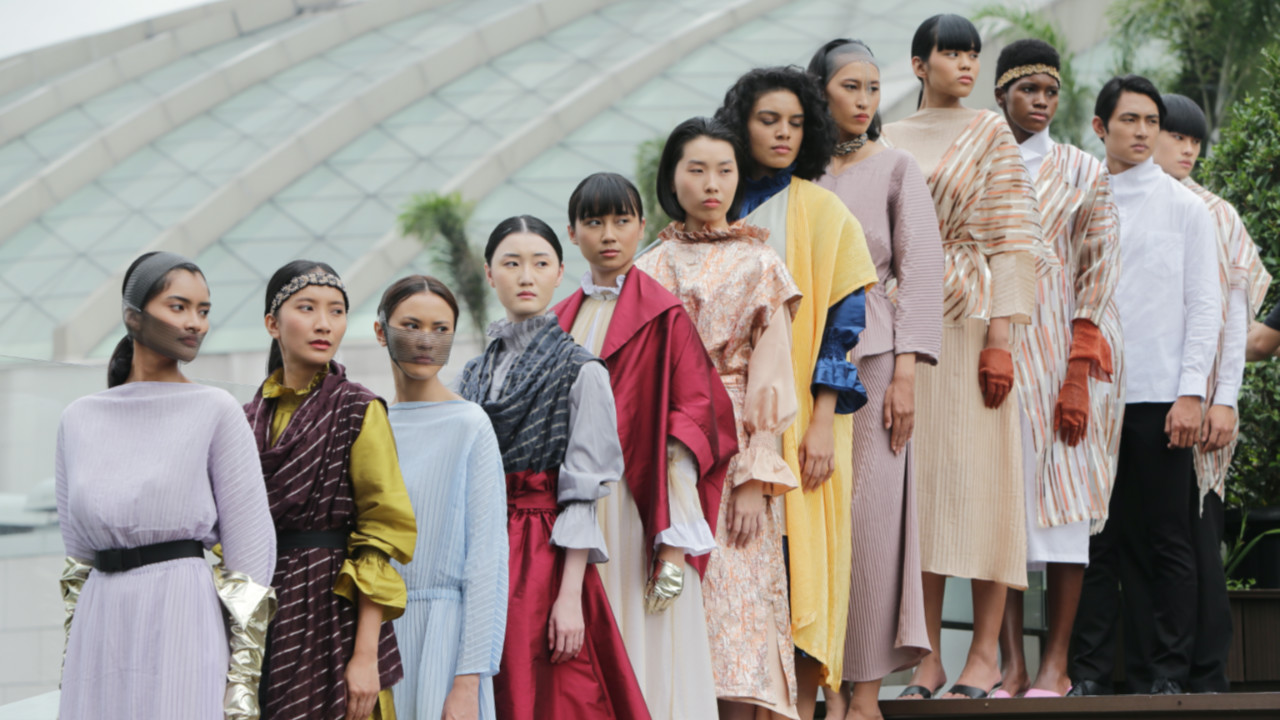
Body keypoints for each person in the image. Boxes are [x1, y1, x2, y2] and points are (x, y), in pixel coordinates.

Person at [878, 14, 1044, 701]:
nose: (967, 64)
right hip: (905, 327)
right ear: (919, 65)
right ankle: (926, 658)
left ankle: (983, 655)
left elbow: (1013, 239)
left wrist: (1002, 341)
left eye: (973, 53)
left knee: (982, 486)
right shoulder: (887, 136)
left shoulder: (990, 132)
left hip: (975, 328)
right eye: (951, 53)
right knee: (921, 491)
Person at [714, 66, 879, 718]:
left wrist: (820, 422)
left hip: (807, 415)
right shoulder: (717, 210)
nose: (783, 134)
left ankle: (800, 708)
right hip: (726, 421)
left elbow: (843, 327)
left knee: (801, 565)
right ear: (741, 125)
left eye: (796, 123)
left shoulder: (824, 211)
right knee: (736, 566)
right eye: (768, 121)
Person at [56, 252, 277, 720]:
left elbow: (252, 560)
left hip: (182, 615)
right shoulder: (77, 419)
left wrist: (242, 682)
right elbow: (77, 564)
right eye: (179, 307)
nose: (196, 323)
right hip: (99, 625)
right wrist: (71, 661)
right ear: (132, 316)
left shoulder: (215, 409)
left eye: (204, 310)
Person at [554, 172, 738, 719]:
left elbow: (688, 429)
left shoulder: (664, 316)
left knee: (646, 642)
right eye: (594, 222)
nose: (609, 234)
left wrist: (675, 549)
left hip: (639, 510)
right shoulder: (558, 321)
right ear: (572, 233)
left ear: (642, 227)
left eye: (621, 220)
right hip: (575, 513)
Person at [636, 116, 803, 720]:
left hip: (735, 449)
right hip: (667, 445)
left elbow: (773, 374)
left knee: (738, 611)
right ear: (672, 177)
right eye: (697, 169)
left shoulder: (761, 263)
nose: (712, 183)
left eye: (725, 170)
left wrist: (756, 474)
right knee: (672, 605)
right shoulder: (648, 267)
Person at [457, 215, 651, 720]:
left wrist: (569, 598)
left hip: (541, 556)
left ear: (560, 272)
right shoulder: (473, 373)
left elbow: (583, 491)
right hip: (480, 546)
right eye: (511, 263)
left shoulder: (581, 370)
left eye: (540, 263)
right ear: (489, 273)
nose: (526, 276)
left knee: (545, 694)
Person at [1068, 75, 1221, 696]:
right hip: (1090, 397)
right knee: (1091, 540)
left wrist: (1192, 393)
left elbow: (1205, 307)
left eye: (1151, 121)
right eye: (1129, 120)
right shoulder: (1080, 200)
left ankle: (1167, 672)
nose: (1142, 131)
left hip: (1161, 397)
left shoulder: (1186, 207)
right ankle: (1088, 673)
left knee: (1167, 539)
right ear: (1100, 127)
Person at [807, 38, 944, 720]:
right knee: (812, 524)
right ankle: (822, 688)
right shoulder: (793, 175)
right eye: (850, 87)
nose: (864, 101)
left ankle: (863, 697)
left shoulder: (896, 167)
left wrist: (907, 374)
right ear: (820, 91)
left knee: (870, 524)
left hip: (878, 359)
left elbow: (920, 271)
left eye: (872, 88)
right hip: (800, 365)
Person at [988, 39, 1124, 699]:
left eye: (1050, 91)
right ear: (1001, 95)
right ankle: (1010, 663)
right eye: (1028, 90)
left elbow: (1099, 270)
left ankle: (1056, 663)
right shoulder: (979, 163)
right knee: (1000, 507)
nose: (1040, 102)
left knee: (1066, 505)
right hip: (991, 349)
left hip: (1062, 355)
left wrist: (1077, 373)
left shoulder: (1083, 170)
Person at [247, 260, 417, 720]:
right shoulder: (246, 420)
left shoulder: (358, 409)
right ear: (272, 324)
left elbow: (380, 533)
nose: (324, 324)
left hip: (337, 614)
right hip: (266, 612)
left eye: (336, 311)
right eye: (307, 308)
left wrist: (365, 656)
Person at [1152, 93, 1271, 693]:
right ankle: (1157, 671)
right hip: (1138, 399)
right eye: (1178, 136)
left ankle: (1206, 674)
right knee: (1147, 541)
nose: (1189, 149)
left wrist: (1222, 397)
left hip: (1202, 401)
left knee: (1199, 533)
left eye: (1196, 140)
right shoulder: (1118, 202)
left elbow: (1237, 318)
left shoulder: (1217, 213)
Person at [377, 275, 509, 719]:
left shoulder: (470, 424)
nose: (425, 341)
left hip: (447, 638)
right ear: (380, 331)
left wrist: (468, 680)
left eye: (441, 329)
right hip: (377, 637)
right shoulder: (370, 424)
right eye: (411, 325)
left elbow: (487, 562)